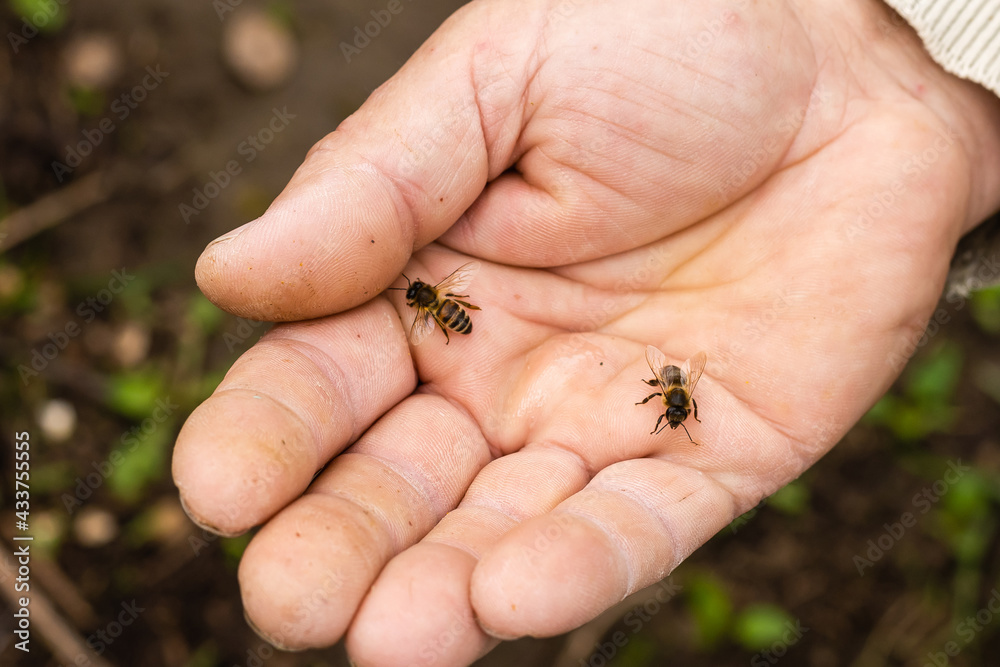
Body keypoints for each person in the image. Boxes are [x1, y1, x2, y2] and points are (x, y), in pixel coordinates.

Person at [171, 0, 1000, 664]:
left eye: (673, 409)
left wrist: (898, 80)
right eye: (677, 408)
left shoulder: (666, 383)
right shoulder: (451, 302)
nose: (673, 408)